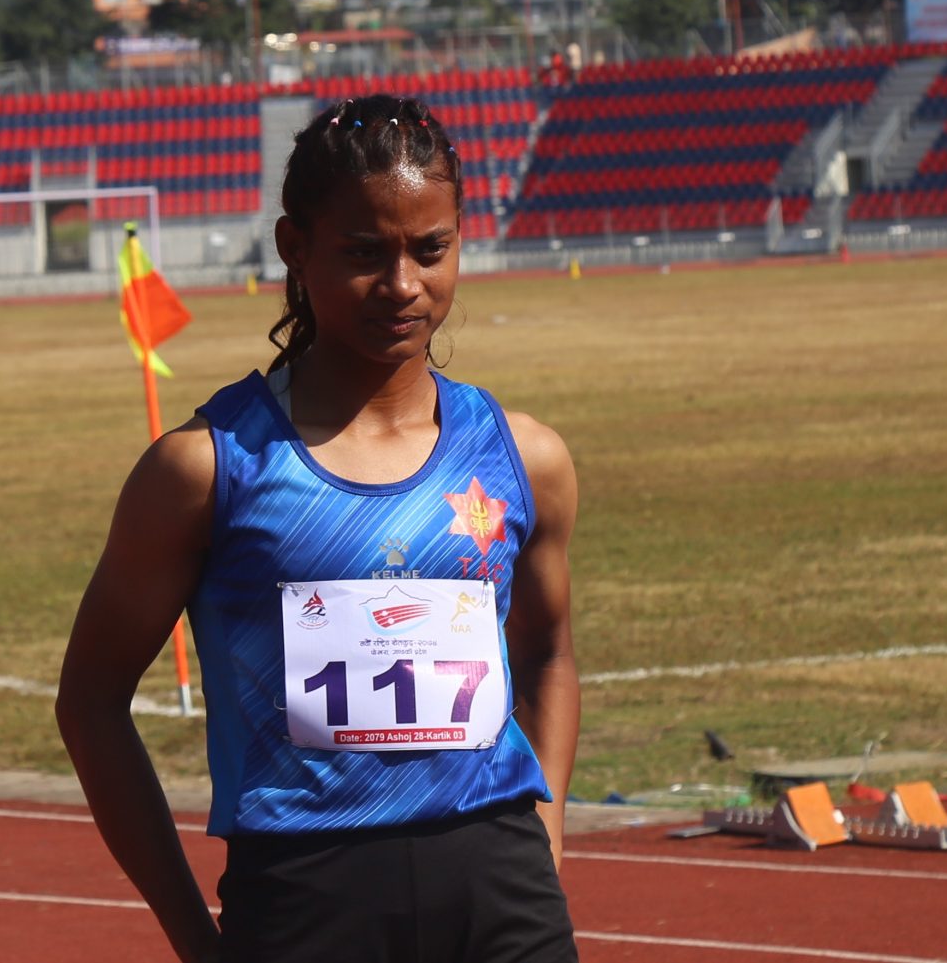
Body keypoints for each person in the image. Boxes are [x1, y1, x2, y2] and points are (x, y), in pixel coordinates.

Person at [57, 94, 580, 962]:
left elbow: (550, 653)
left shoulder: (524, 457)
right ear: (294, 249)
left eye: (431, 249)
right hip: (303, 898)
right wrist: (194, 935)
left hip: (503, 892)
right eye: (365, 252)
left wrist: (546, 840)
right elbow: (91, 701)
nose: (403, 284)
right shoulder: (206, 470)